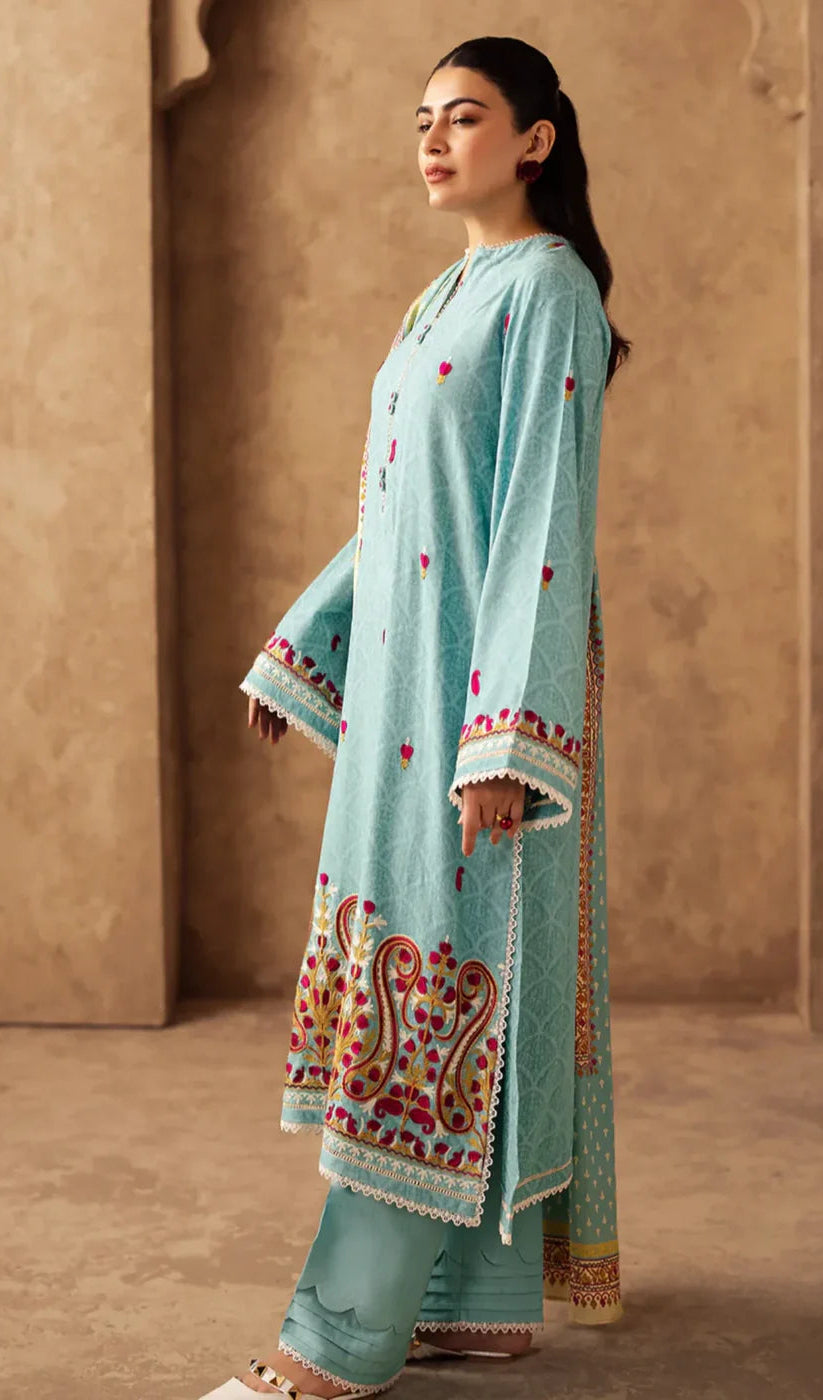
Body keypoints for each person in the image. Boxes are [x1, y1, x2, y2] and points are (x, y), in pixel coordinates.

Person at [200, 33, 631, 1400]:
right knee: (436, 981)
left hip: (471, 712)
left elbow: (536, 528)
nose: (434, 140)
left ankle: (330, 1344)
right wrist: (304, 638)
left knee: (428, 1001)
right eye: (422, 120)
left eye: (466, 116)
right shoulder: (437, 297)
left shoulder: (546, 290)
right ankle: (478, 1298)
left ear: (535, 141)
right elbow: (398, 511)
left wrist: (507, 734)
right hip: (395, 700)